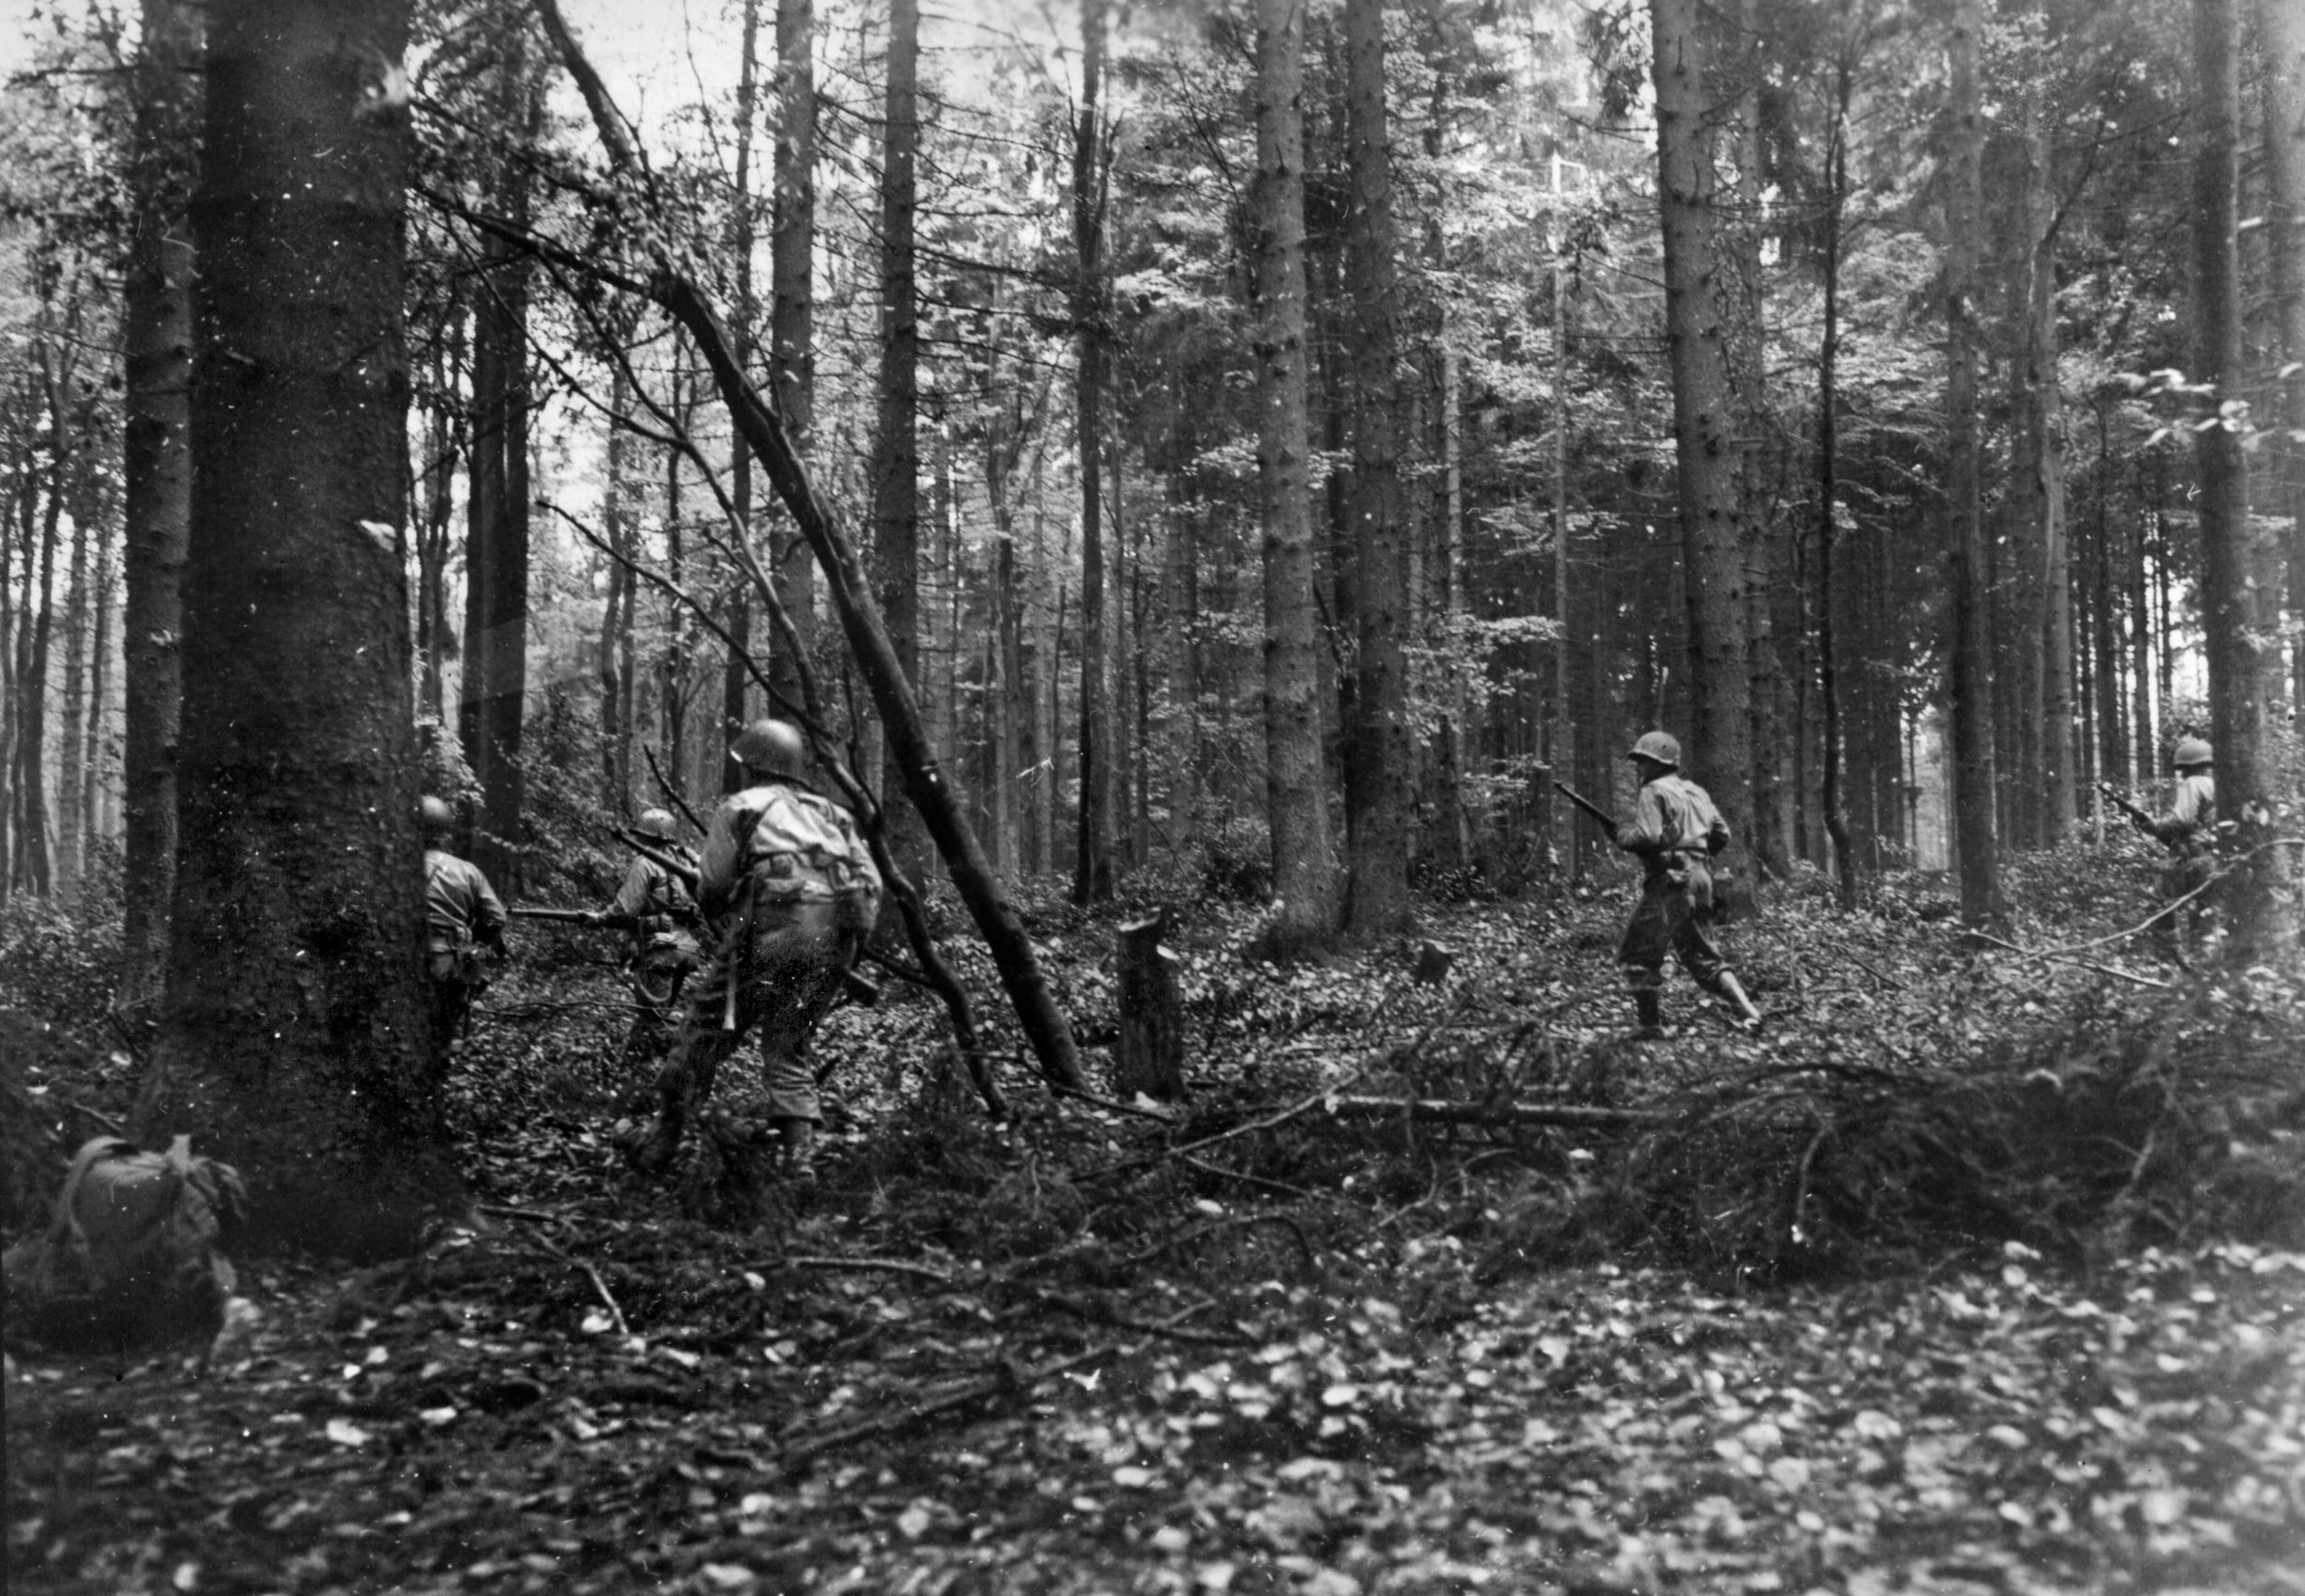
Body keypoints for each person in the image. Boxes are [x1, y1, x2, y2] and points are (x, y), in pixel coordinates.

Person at [624, 719, 882, 1183]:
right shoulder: (833, 814)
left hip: (764, 940)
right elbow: (870, 888)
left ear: (755, 767)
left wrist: (725, 923)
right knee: (790, 1049)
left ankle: (661, 1145)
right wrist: (846, 952)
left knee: (700, 1036)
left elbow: (714, 885)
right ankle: (798, 1164)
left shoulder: (741, 807)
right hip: (830, 948)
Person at [1612, 731, 1764, 1037]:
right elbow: (1722, 834)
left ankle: (1650, 1027)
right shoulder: (1696, 792)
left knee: (1636, 955)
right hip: (1700, 880)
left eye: (1644, 762)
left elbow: (1647, 836)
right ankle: (1750, 1012)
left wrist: (1621, 835)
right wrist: (1696, 858)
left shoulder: (1653, 791)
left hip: (1671, 883)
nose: (1640, 768)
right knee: (1704, 955)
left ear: (1658, 763)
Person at [589, 807, 702, 1072]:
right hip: (687, 950)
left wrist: (598, 918)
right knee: (654, 1014)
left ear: (650, 837)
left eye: (642, 836)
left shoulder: (645, 863)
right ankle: (629, 1070)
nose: (638, 841)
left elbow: (624, 909)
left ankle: (672, 1074)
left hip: (660, 950)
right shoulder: (688, 861)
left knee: (656, 1022)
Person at [421, 795, 507, 1063]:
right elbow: (496, 917)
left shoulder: (395, 867)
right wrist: (476, 941)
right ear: (445, 831)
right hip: (451, 962)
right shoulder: (467, 871)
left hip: (403, 958)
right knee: (443, 1033)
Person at [2145, 736, 2218, 959]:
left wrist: (2155, 825)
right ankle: (2202, 959)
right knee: (2205, 909)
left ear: (2190, 767)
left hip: (2193, 855)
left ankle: (2170, 959)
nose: (2182, 774)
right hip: (2215, 855)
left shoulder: (2192, 783)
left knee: (2161, 902)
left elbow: (2182, 820)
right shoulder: (2219, 785)